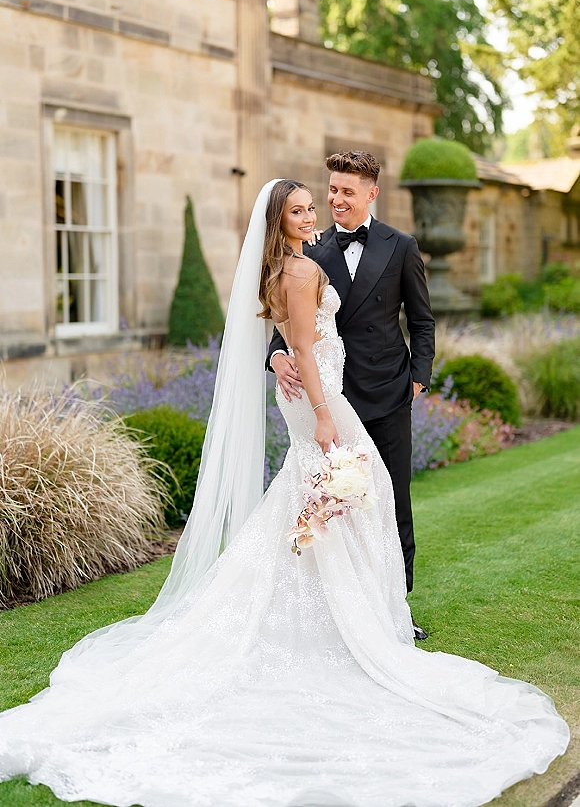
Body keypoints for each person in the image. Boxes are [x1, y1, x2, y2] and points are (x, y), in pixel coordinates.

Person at [0, 180, 568, 807]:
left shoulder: (290, 264)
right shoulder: (299, 270)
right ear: (280, 220)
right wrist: (324, 412)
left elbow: (318, 331)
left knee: (331, 489)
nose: (312, 214)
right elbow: (300, 340)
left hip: (317, 390)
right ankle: (339, 611)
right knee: (349, 483)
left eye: (314, 206)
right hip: (319, 397)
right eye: (299, 209)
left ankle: (336, 599)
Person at [268, 152, 434, 638]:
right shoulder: (309, 250)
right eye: (332, 190)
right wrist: (275, 358)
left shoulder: (401, 246)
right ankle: (335, 609)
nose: (336, 200)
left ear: (371, 194)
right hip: (328, 396)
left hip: (386, 393)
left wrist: (416, 379)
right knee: (328, 504)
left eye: (347, 191)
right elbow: (289, 325)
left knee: (390, 499)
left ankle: (395, 610)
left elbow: (422, 321)